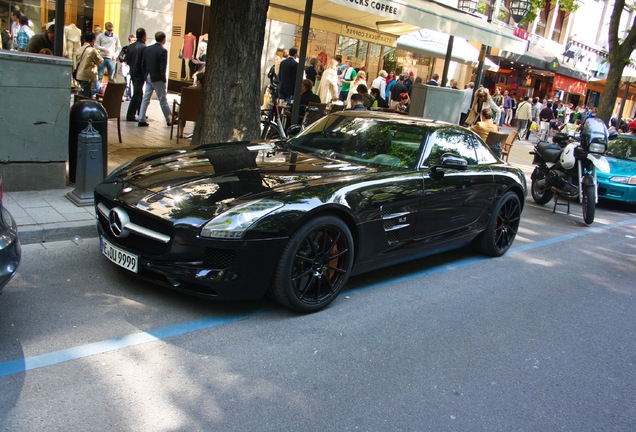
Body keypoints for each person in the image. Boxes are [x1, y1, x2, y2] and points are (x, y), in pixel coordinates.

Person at [137, 31, 174, 127]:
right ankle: (169, 119)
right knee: (163, 99)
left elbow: (143, 63)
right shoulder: (163, 51)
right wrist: (163, 79)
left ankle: (141, 119)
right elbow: (163, 67)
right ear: (163, 39)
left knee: (146, 98)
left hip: (148, 75)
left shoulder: (147, 49)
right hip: (157, 77)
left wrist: (145, 74)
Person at [125, 28, 147, 122]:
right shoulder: (144, 47)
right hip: (140, 73)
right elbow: (144, 62)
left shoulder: (130, 46)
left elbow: (127, 60)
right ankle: (130, 114)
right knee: (137, 93)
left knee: (139, 92)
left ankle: (140, 112)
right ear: (144, 36)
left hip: (133, 71)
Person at [74, 32, 103, 97]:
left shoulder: (81, 48)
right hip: (87, 75)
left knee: (85, 93)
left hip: (79, 74)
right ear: (93, 40)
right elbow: (100, 60)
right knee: (84, 95)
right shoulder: (92, 50)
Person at [95, 22, 121, 95]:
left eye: (111, 30)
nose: (110, 32)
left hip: (111, 58)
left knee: (111, 77)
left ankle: (111, 92)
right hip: (102, 57)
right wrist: (103, 49)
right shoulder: (100, 36)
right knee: (100, 76)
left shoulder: (116, 37)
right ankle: (97, 92)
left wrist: (116, 55)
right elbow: (96, 45)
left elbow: (119, 47)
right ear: (106, 29)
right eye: (109, 30)